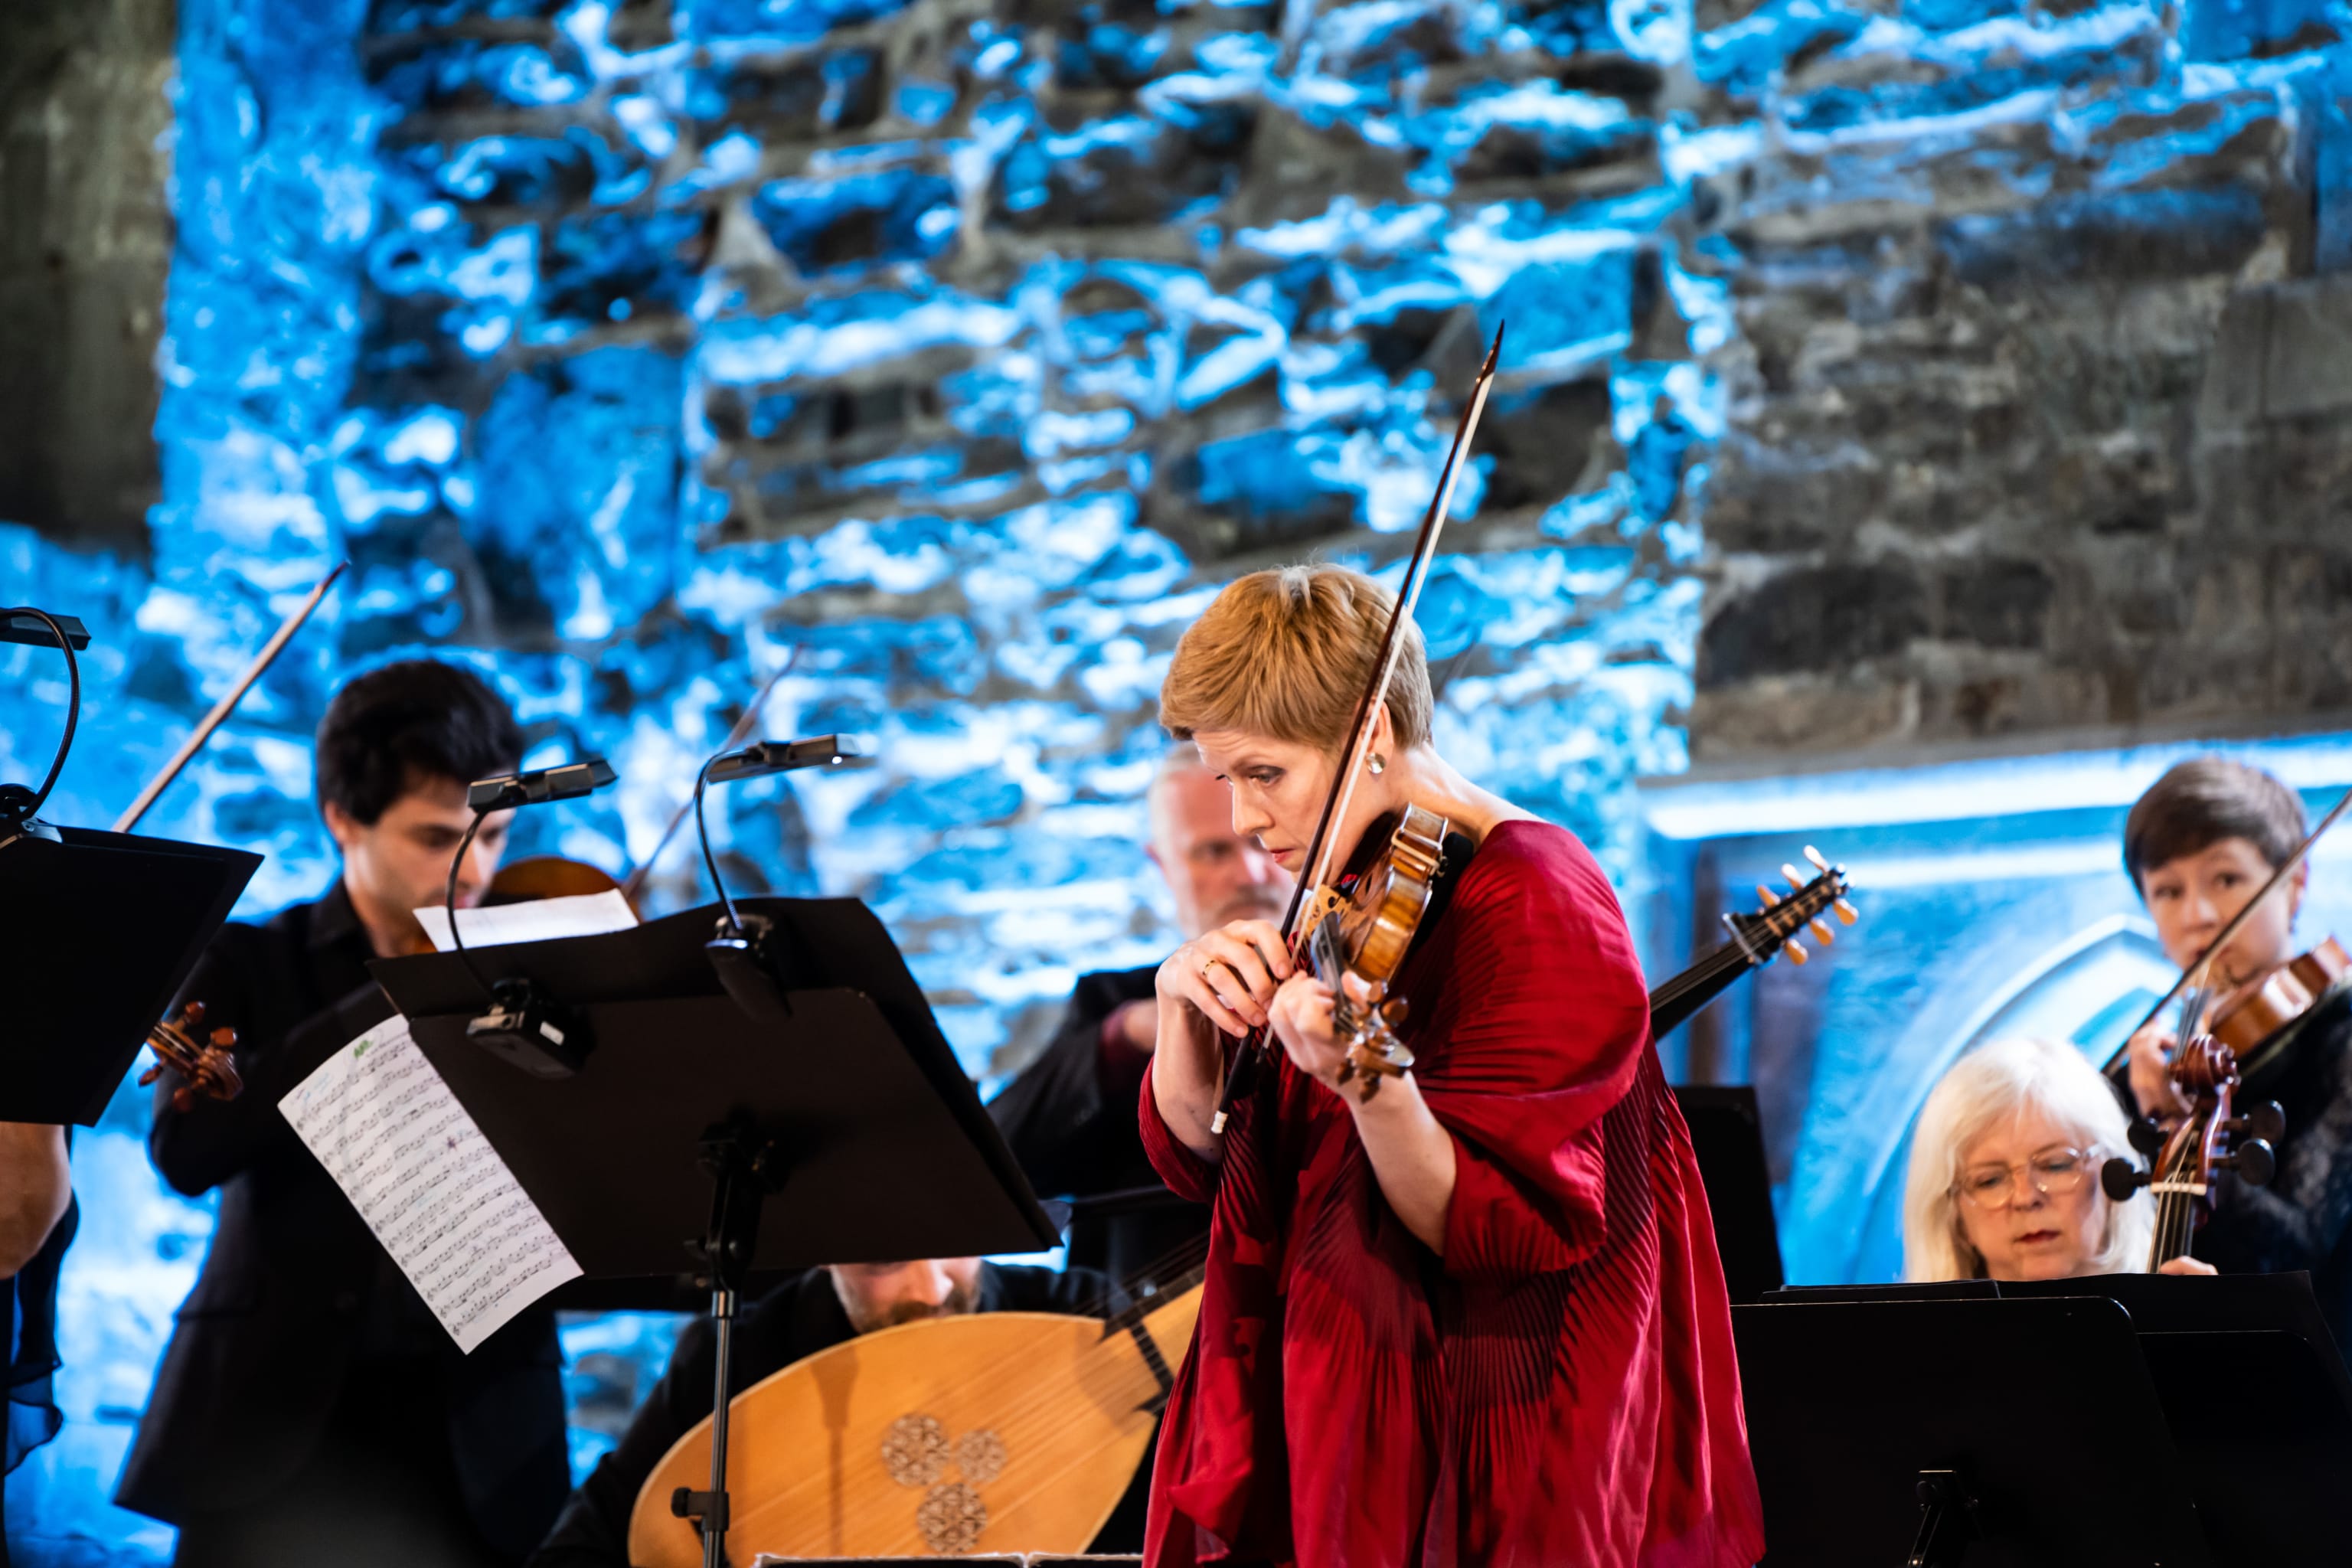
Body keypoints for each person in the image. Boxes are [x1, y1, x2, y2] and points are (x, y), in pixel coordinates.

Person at [1137, 564, 1762, 1568]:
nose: (1247, 822)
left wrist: (1370, 1084)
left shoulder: (1537, 896)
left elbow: (1496, 1218)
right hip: (1354, 1396)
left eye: (1265, 774)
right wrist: (1183, 1005)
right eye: (1227, 781)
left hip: (1494, 1422)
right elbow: (1210, 1154)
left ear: (1371, 731)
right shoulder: (1352, 882)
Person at [115, 660, 569, 1568]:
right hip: (271, 1425)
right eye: (441, 837)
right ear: (343, 818)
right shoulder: (249, 960)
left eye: (497, 835)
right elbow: (187, 1149)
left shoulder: (536, 967)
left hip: (479, 1429)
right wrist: (391, 995)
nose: (477, 870)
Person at [525, 1257, 1121, 1566]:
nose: (933, 1290)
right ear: (825, 1254)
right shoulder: (740, 1353)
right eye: (886, 1264)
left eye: (956, 1244)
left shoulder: (1082, 1318)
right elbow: (579, 1550)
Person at [988, 750, 1290, 1291]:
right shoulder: (1113, 1001)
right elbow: (1004, 1165)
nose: (1248, 872)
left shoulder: (1358, 982)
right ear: (1163, 868)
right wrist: (1136, 1032)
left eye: (1260, 842)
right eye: (1213, 851)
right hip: (1151, 1353)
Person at [2119, 756, 2352, 1340]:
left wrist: (2180, 1118)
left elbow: (2302, 1249)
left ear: (2294, 885)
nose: (2198, 917)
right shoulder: (2158, 1060)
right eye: (2167, 891)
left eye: (2226, 880)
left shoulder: (2340, 1036)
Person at [1901, 1036, 2219, 1280]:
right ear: (1954, 1216)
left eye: (2056, 1164)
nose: (2026, 1198)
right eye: (1990, 1180)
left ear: (2115, 1176)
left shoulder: (2173, 1311)